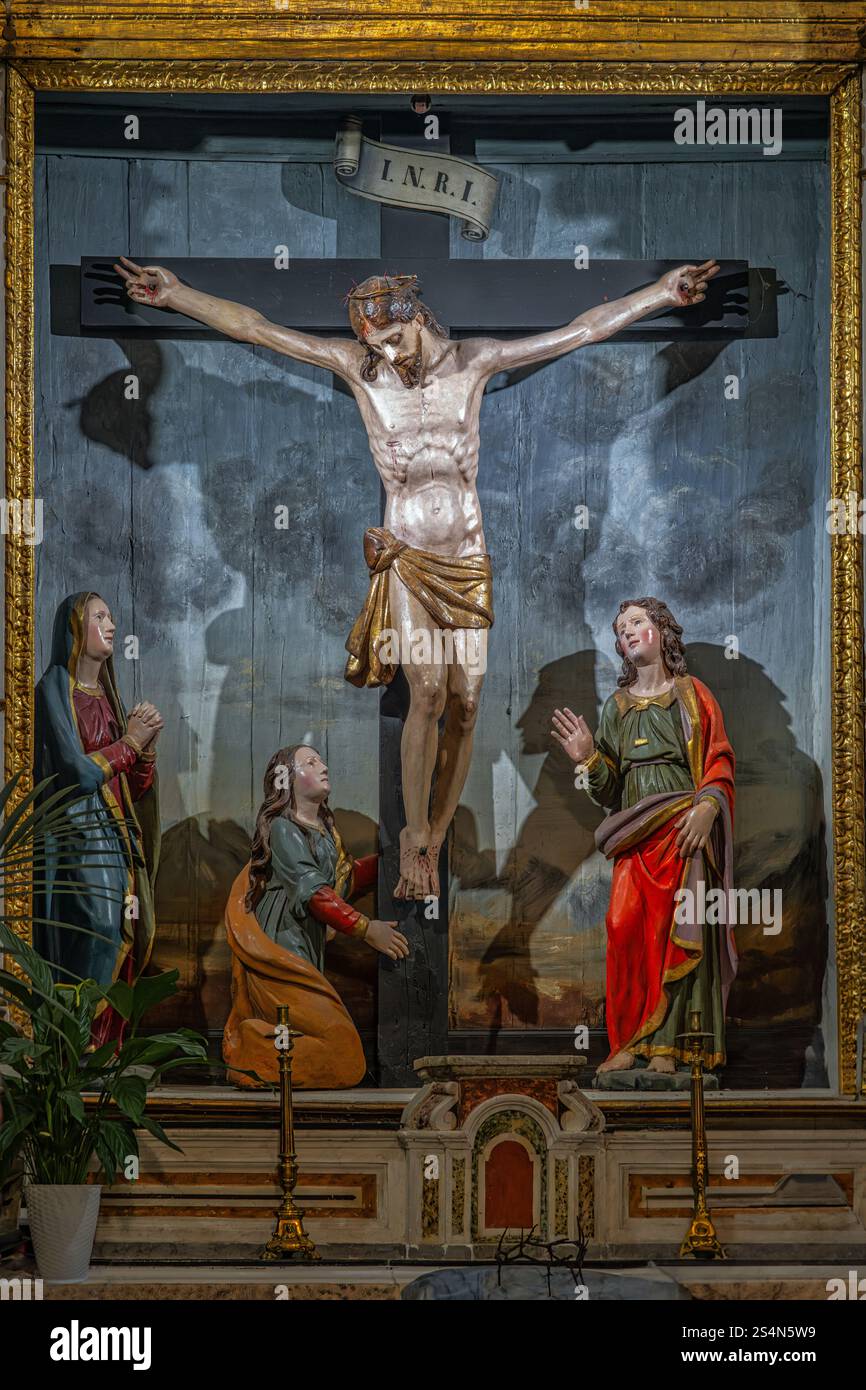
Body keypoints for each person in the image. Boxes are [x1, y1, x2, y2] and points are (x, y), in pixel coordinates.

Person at [114, 253, 720, 898]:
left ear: (417, 318)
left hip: (465, 558)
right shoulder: (361, 370)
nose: (387, 353)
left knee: (467, 703)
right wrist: (178, 296)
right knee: (427, 691)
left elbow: (582, 329)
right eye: (373, 343)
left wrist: (659, 293)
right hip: (406, 557)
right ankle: (414, 839)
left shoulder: (475, 362)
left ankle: (434, 833)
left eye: (393, 338)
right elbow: (256, 328)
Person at [551, 599, 736, 1074]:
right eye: (621, 628)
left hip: (683, 833)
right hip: (636, 836)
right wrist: (588, 757)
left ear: (662, 631)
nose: (628, 632)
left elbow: (719, 760)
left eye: (637, 622)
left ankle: (671, 1049)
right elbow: (609, 790)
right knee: (624, 925)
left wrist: (707, 808)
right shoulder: (617, 707)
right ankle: (631, 1040)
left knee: (677, 932)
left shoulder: (692, 695)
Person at [223, 744, 409, 1088]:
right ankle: (254, 1051)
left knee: (317, 1033)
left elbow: (343, 880)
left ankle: (263, 1049)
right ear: (286, 780)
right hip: (282, 945)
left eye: (322, 759)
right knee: (341, 1049)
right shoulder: (283, 828)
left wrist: (394, 864)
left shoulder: (324, 830)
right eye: (310, 762)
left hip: (304, 943)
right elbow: (315, 893)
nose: (323, 766)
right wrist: (368, 930)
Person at [34, 592, 162, 1045]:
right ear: (74, 628)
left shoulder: (108, 698)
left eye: (111, 617)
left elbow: (134, 788)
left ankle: (108, 1050)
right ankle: (75, 1050)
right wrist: (130, 743)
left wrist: (143, 753)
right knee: (98, 928)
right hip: (79, 836)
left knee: (126, 930)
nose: (111, 625)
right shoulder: (54, 686)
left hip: (115, 836)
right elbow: (75, 770)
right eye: (100, 617)